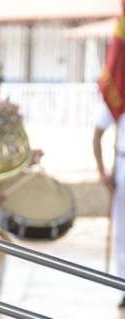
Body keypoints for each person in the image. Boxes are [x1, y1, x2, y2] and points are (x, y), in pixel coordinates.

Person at [93, 103, 125, 308]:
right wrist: (103, 172)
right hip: (123, 165)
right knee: (123, 232)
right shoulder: (119, 96)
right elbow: (97, 134)